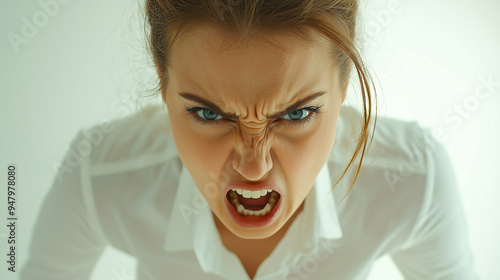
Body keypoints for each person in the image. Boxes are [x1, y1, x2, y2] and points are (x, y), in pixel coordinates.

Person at [20, 0, 478, 279]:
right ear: (163, 81)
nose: (253, 168)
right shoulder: (98, 174)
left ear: (344, 86)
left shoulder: (410, 177)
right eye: (207, 113)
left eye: (297, 113)